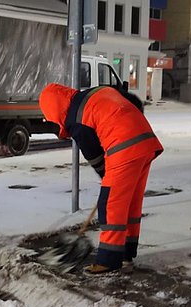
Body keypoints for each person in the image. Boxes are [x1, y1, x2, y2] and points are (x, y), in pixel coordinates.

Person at [39, 83, 163, 275]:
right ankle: (126, 254)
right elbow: (131, 101)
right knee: (129, 203)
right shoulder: (92, 95)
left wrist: (107, 179)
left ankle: (108, 260)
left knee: (110, 204)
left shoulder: (76, 119)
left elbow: (95, 156)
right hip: (145, 142)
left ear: (55, 109)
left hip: (123, 147)